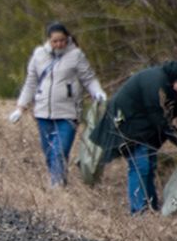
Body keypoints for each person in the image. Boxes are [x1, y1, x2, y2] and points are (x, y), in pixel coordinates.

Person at [89, 61, 177, 214]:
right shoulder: (156, 84)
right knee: (140, 165)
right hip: (127, 122)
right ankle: (139, 212)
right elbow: (159, 120)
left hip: (146, 127)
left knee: (149, 166)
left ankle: (151, 207)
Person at [9, 22, 107, 187]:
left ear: (67, 38)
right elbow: (31, 82)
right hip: (43, 113)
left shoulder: (76, 55)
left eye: (62, 40)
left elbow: (88, 79)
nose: (59, 44)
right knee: (48, 153)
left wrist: (97, 92)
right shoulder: (39, 55)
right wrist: (20, 107)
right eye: (55, 41)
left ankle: (57, 185)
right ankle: (56, 179)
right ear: (48, 40)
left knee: (60, 151)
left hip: (68, 112)